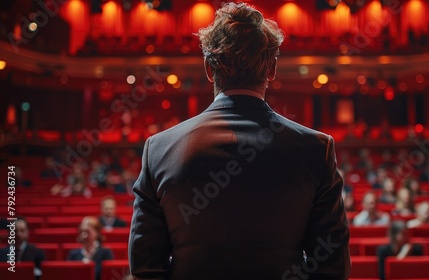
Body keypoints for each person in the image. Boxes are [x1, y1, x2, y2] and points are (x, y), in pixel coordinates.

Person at [128, 3, 350, 280]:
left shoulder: (159, 149)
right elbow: (332, 268)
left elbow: (145, 268)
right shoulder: (317, 148)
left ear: (209, 69)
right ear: (272, 68)